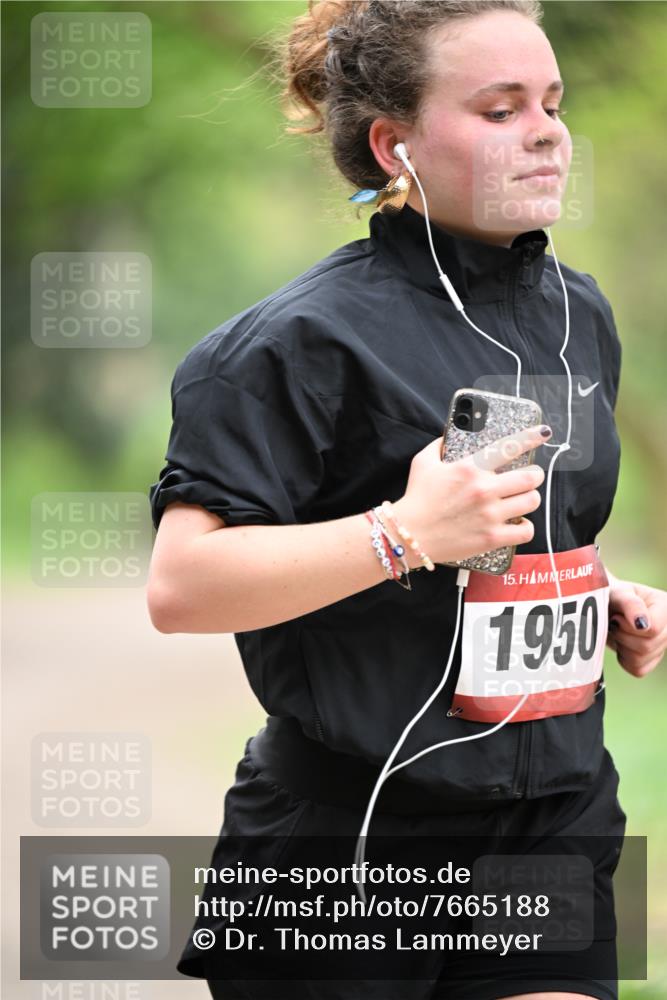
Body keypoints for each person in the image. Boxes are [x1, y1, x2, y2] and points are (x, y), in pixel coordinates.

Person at [146, 2, 667, 999]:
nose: (546, 133)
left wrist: (590, 596)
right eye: (500, 109)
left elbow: (518, 537)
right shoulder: (292, 342)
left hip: (547, 824)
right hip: (351, 841)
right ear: (396, 146)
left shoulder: (579, 315)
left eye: (552, 104)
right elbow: (183, 588)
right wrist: (403, 532)